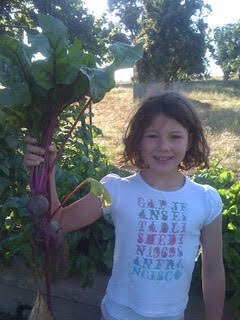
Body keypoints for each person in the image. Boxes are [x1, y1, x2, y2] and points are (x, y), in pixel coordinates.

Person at [24, 91, 225, 320]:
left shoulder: (206, 199)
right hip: (117, 314)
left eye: (175, 136)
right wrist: (44, 169)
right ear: (137, 140)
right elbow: (59, 221)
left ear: (190, 140)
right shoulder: (115, 190)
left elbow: (214, 270)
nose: (164, 146)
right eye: (152, 136)